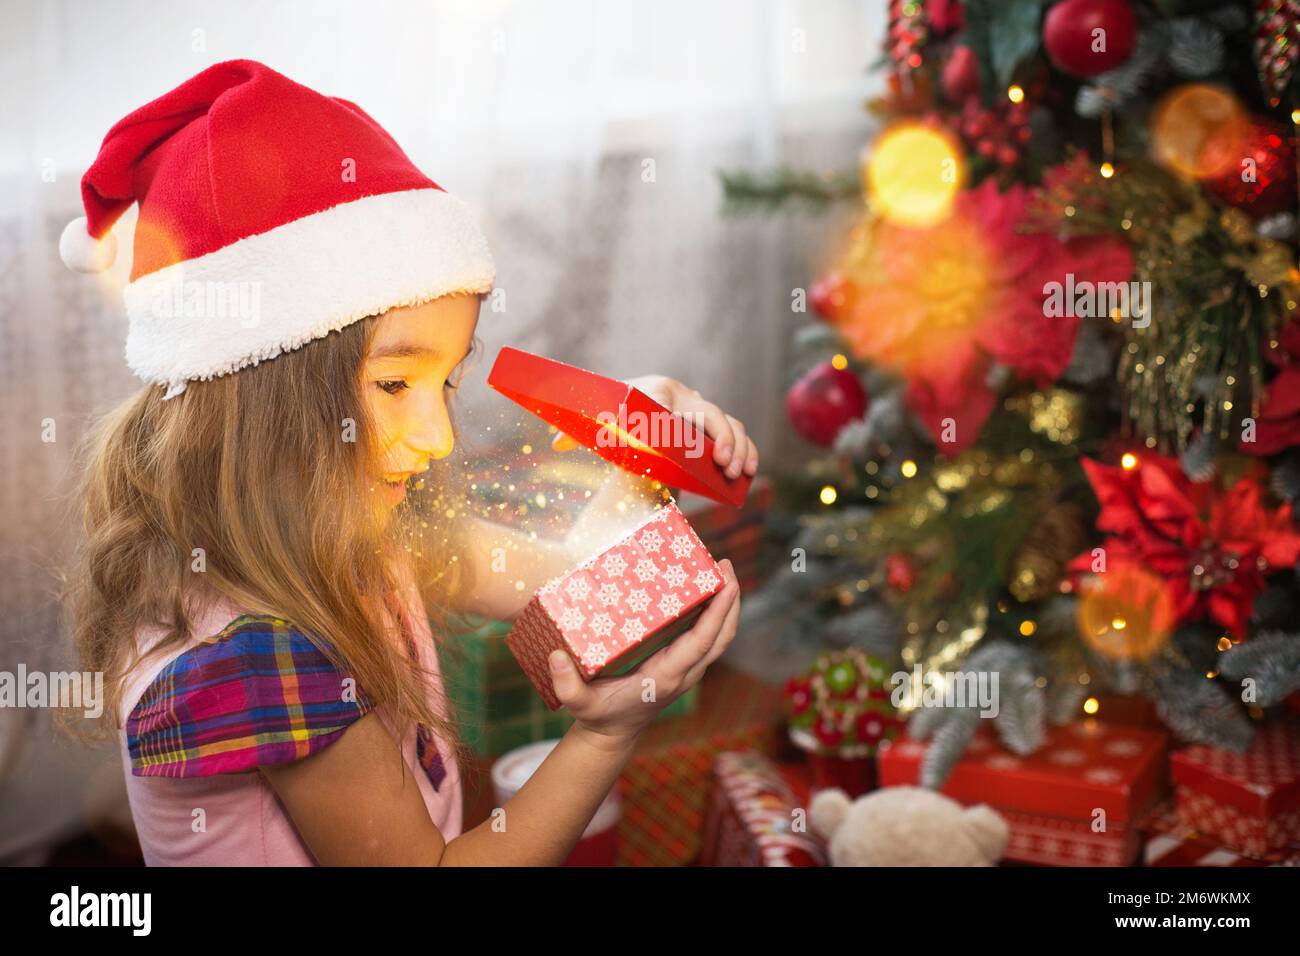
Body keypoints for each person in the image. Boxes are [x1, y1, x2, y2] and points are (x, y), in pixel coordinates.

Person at [59, 60, 759, 866]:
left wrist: (638, 437)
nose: (439, 437)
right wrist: (607, 733)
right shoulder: (263, 646)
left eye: (446, 383)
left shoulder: (357, 535)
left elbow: (584, 581)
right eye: (395, 383)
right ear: (258, 402)